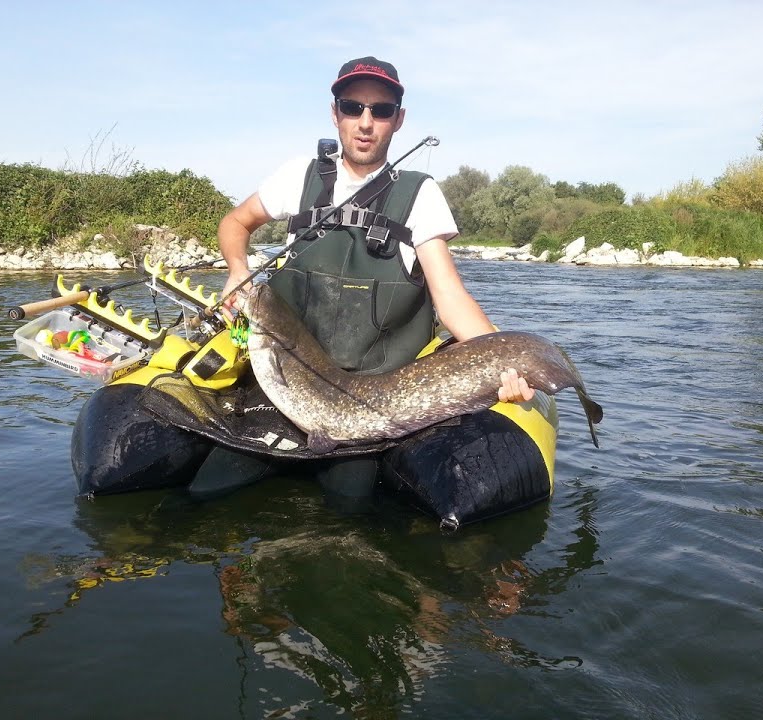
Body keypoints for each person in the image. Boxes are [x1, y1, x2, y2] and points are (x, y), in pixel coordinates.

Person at [189, 55, 533, 504]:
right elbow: (235, 223)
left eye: (381, 110)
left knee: (345, 504)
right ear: (336, 114)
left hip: (372, 403)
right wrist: (238, 269)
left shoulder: (421, 195)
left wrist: (502, 362)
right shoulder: (299, 176)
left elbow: (450, 297)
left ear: (398, 120)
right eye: (353, 107)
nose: (365, 122)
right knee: (208, 490)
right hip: (286, 385)